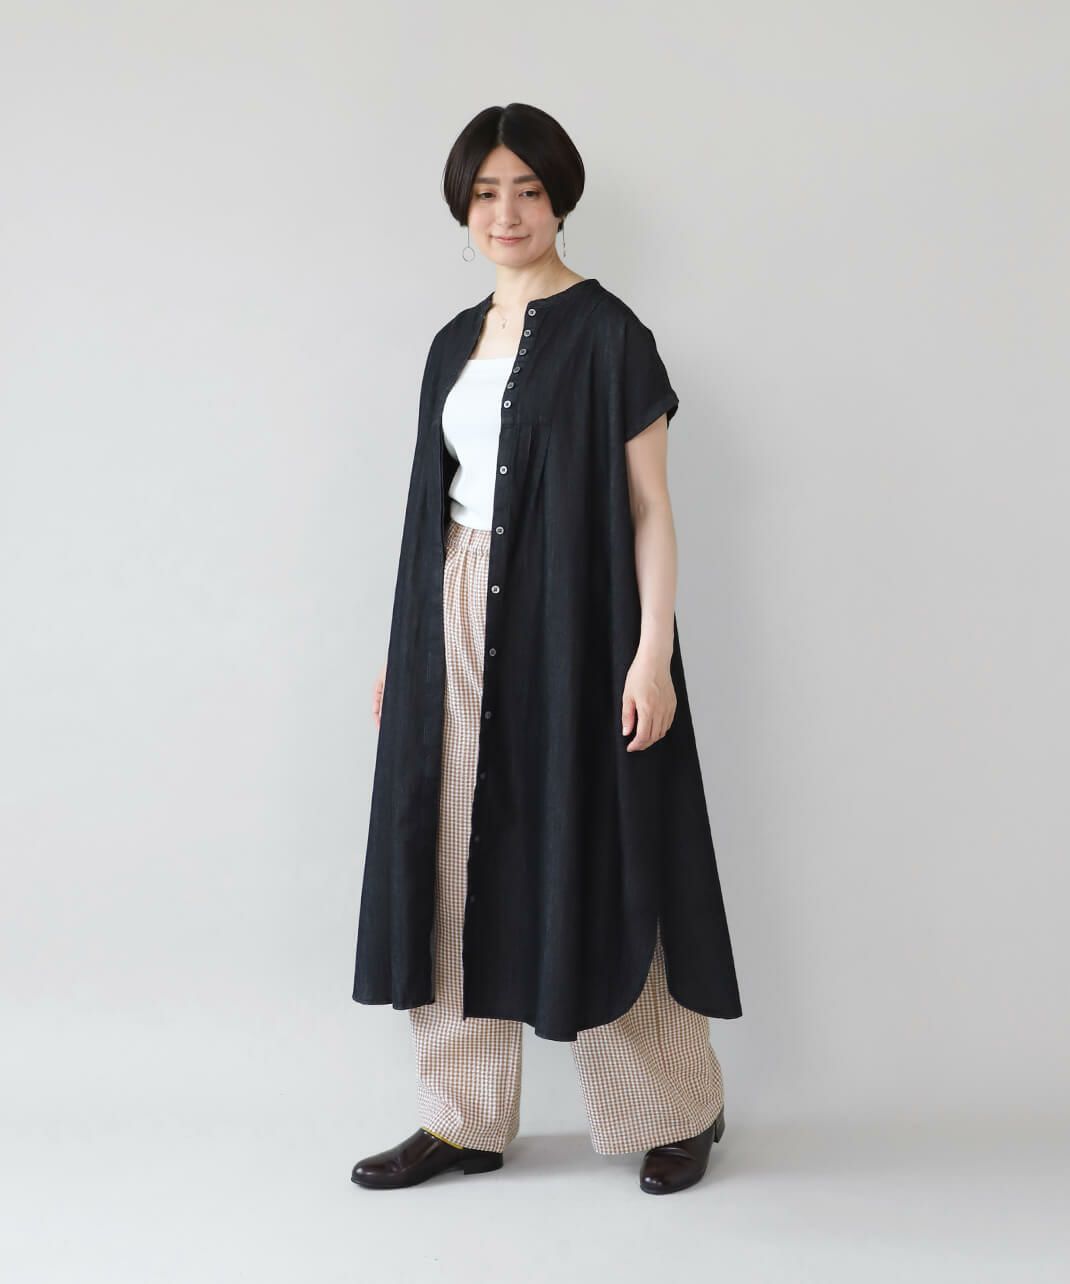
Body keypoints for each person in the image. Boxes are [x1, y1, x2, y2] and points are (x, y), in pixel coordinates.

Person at [350, 103, 742, 1195]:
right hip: (450, 614)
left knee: (601, 849)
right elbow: (432, 511)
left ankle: (680, 1108)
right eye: (485, 193)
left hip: (578, 619)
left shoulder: (611, 334)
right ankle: (463, 1117)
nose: (506, 213)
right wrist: (403, 649)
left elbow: (649, 509)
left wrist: (650, 655)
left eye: (526, 190)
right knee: (445, 854)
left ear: (559, 199)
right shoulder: (450, 344)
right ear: (463, 208)